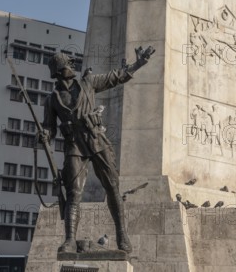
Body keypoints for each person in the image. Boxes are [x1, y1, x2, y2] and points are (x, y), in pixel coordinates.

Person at [38, 47, 154, 254]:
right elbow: (49, 126)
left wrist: (138, 64)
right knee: (74, 193)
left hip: (96, 140)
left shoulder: (87, 84)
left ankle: (121, 235)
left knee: (112, 187)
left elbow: (114, 78)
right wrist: (45, 134)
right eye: (68, 64)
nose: (72, 66)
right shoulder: (52, 99)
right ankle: (70, 240)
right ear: (58, 70)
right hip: (74, 145)